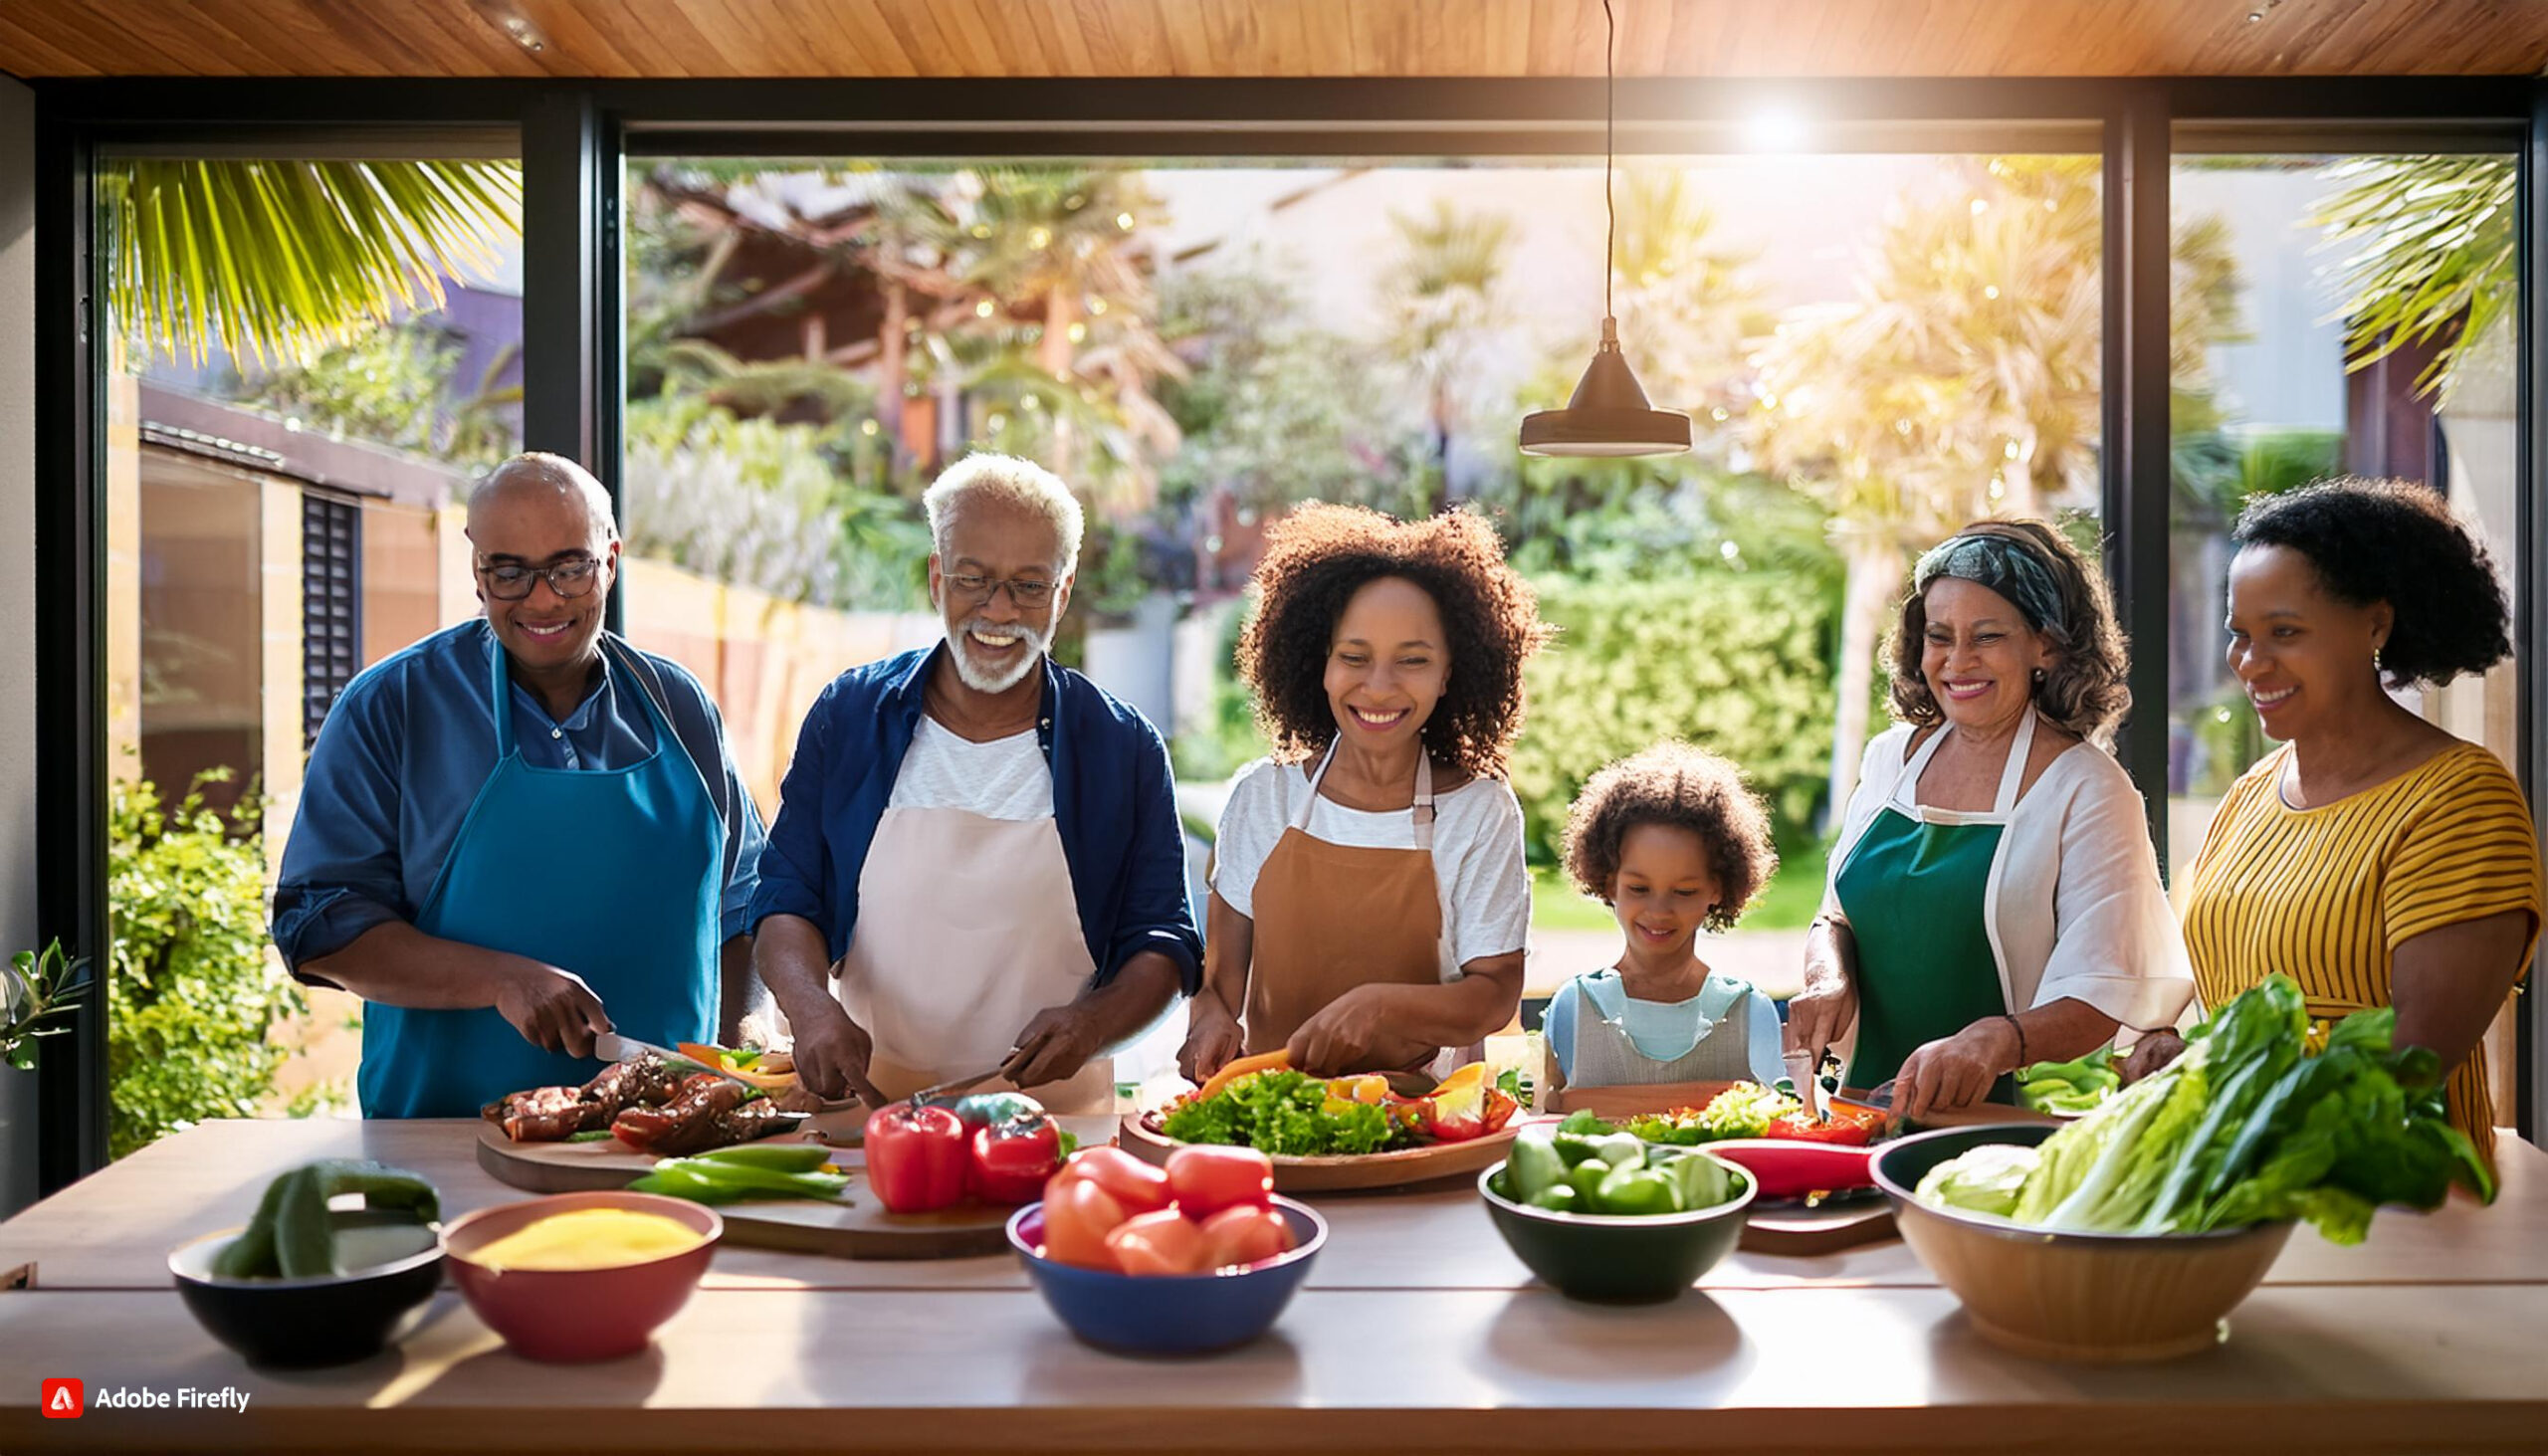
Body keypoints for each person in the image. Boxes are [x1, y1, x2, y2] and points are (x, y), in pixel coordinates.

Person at [272, 454, 766, 1118]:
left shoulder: (680, 708)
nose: (543, 598)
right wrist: (503, 979)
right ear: (477, 572)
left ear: (610, 561)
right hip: (442, 1140)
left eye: (570, 567)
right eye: (511, 572)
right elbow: (319, 922)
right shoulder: (393, 705)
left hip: (661, 1145)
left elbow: (748, 907)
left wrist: (741, 1046)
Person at [747, 454, 1200, 1114]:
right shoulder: (849, 717)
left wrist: (1094, 1023)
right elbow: (788, 898)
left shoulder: (1122, 746)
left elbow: (1163, 941)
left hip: (1057, 1121)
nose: (998, 610)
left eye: (1029, 585)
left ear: (1063, 591)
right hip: (869, 1115)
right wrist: (812, 1010)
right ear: (937, 578)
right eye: (973, 579)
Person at [2136, 479, 2540, 1164]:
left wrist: (2208, 1085)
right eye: (2240, 634)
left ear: (2375, 625)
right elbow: (2210, 991)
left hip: (2393, 1196)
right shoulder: (2251, 796)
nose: (2251, 662)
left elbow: (2415, 1065)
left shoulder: (2460, 801)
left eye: (2285, 632)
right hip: (2235, 1178)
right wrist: (2163, 1042)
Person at [1785, 520, 2194, 1120]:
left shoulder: (2088, 789)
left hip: (2007, 1121)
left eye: (1987, 636)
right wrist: (1827, 979)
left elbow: (2103, 990)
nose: (1957, 661)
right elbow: (1835, 914)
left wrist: (1994, 1041)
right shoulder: (1889, 760)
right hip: (1862, 1108)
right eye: (1940, 636)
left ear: (2045, 645)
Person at [1179, 504, 1550, 1082]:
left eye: (1413, 661)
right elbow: (1218, 989)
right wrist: (1209, 1024)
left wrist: (1381, 1006)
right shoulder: (1263, 798)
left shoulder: (1480, 811)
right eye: (1354, 657)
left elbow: (1494, 996)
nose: (1378, 688)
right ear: (1318, 662)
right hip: (1278, 1112)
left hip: (1425, 1115)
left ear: (1451, 672)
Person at [1540, 742, 1789, 1093]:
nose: (1659, 912)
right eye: (1639, 889)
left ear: (1716, 890)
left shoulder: (1748, 1013)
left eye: (1684, 892)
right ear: (1609, 884)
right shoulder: (1575, 1008)